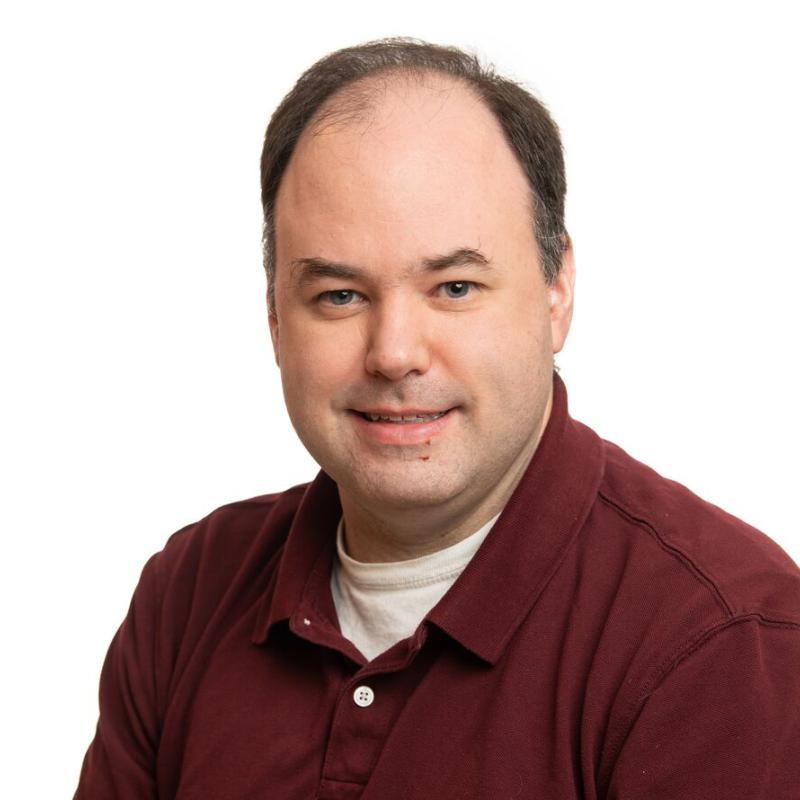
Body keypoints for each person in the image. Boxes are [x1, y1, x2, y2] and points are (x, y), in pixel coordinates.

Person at [75, 38, 800, 799]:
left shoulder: (723, 645)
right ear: (273, 319)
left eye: (454, 288)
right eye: (339, 296)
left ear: (557, 294)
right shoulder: (188, 597)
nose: (393, 354)